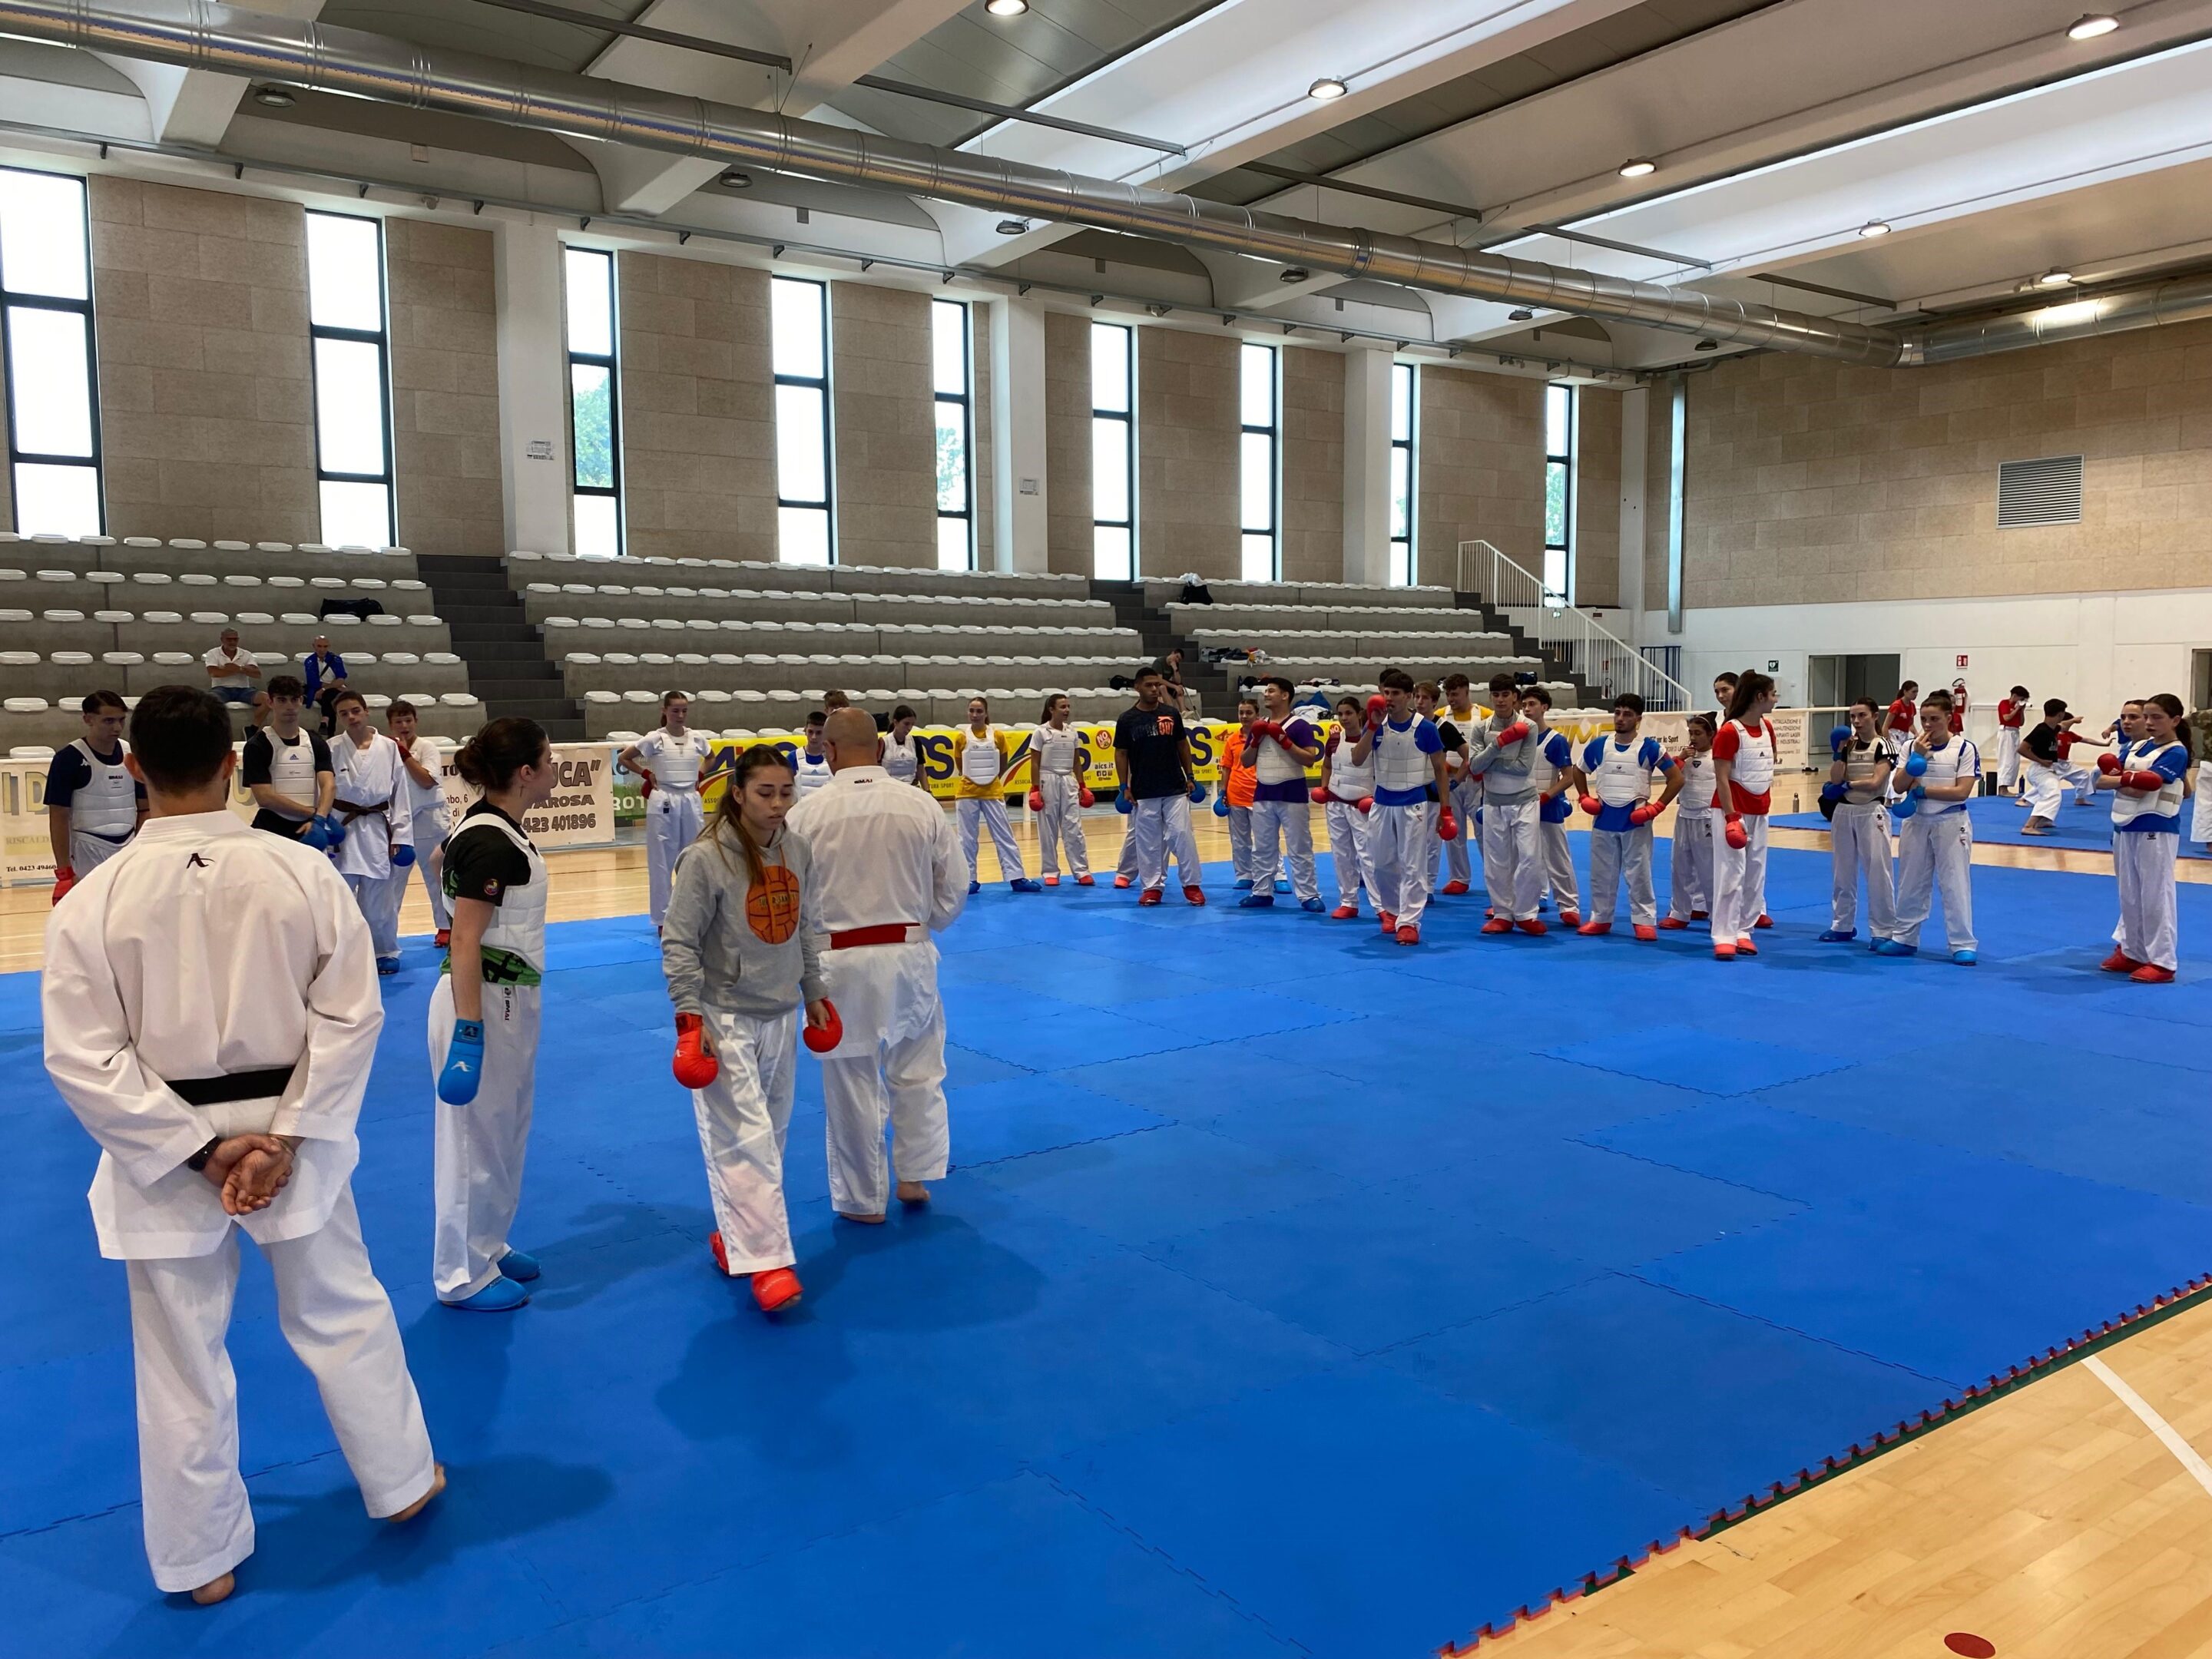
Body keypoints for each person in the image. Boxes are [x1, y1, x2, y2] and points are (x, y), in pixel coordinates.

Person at [41, 685, 439, 1606]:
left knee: (180, 1358)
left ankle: (199, 1558)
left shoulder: (92, 902)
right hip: (293, 1133)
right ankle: (402, 1482)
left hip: (164, 1154)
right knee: (342, 1311)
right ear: (233, 763)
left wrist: (197, 1149)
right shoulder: (302, 873)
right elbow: (351, 1015)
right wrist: (285, 1136)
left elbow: (83, 1058)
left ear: (133, 766)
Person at [661, 744, 836, 1311]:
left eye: (786, 792)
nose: (778, 803)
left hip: (781, 1009)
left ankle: (737, 1238)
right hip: (725, 1014)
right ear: (737, 793)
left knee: (772, 1136)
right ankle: (769, 1264)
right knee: (746, 1138)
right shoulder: (705, 858)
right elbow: (679, 941)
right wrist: (689, 1018)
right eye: (765, 792)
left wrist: (815, 990)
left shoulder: (798, 849)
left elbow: (804, 925)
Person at [786, 707, 969, 1223]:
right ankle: (915, 1176)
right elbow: (954, 886)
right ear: (882, 748)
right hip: (909, 954)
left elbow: (792, 897)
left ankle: (862, 1201)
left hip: (836, 961)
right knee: (919, 1070)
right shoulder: (921, 804)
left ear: (829, 751)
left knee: (852, 1083)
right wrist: (922, 924)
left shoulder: (805, 815)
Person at [429, 717, 558, 1311]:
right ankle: (460, 1274)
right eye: (548, 759)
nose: (555, 768)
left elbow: (440, 859)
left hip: (512, 995)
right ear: (526, 772)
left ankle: (488, 1242)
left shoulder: (497, 828)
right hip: (481, 998)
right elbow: (463, 939)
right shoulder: (491, 840)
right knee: (473, 1140)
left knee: (505, 1129)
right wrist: (469, 1029)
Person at [1349, 668, 1453, 945]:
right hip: (1382, 802)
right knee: (1381, 864)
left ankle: (1409, 921)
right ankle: (1393, 912)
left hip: (1414, 804)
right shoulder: (1375, 725)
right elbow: (1357, 759)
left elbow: (1440, 769)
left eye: (1395, 693)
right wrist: (1372, 727)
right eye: (1386, 692)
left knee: (1413, 865)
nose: (1389, 698)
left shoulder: (1426, 728)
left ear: (1408, 696)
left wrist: (1445, 809)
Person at [2096, 691, 2191, 984]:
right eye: (2147, 716)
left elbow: (2142, 790)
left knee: (2156, 895)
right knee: (2129, 894)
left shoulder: (2176, 752)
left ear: (2175, 720)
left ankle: (2163, 961)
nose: (2149, 722)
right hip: (2125, 825)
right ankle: (2133, 951)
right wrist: (2127, 779)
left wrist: (2122, 780)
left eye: (2156, 717)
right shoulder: (2136, 747)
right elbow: (2102, 780)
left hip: (2156, 826)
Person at [1880, 688, 1980, 964]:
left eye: (1934, 719)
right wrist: (1917, 759)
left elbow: (1962, 791)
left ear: (1949, 718)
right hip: (1917, 820)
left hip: (1951, 820)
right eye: (1923, 719)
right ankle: (1904, 937)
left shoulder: (1964, 748)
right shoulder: (1910, 747)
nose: (1927, 725)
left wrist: (1924, 791)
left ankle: (1962, 942)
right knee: (1910, 882)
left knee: (1955, 883)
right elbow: (1898, 786)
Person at [1571, 693, 1679, 940]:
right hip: (1604, 820)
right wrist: (1584, 796)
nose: (1620, 718)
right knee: (1601, 874)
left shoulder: (1651, 748)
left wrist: (1657, 807)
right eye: (1617, 713)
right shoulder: (1599, 745)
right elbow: (1578, 770)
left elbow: (1677, 779)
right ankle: (1600, 918)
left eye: (1627, 714)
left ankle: (1644, 921)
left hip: (1636, 821)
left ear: (1639, 719)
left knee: (1639, 873)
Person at [327, 690, 414, 975]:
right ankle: (342, 954)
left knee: (379, 901)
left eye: (355, 711)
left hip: (377, 829)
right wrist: (324, 825)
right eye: (344, 713)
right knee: (339, 900)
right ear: (338, 718)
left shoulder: (388, 747)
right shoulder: (331, 747)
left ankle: (384, 951)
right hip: (342, 830)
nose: (351, 717)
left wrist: (402, 837)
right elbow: (322, 790)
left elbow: (400, 794)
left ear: (366, 711)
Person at [621, 692, 717, 930]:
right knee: (661, 861)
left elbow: (711, 757)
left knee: (694, 857)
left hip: (690, 799)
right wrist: (647, 774)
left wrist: (700, 775)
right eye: (675, 710)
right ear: (664, 711)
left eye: (684, 710)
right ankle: (663, 919)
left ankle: (694, 914)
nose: (680, 715)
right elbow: (624, 758)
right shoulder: (655, 739)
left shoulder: (696, 738)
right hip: (663, 798)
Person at [1113, 666, 1206, 907]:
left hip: (1175, 787)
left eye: (1157, 685)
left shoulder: (1170, 713)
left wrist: (1190, 775)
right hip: (1143, 790)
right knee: (1148, 843)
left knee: (1182, 835)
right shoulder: (1127, 719)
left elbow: (1182, 745)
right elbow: (1121, 753)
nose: (1155, 689)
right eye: (1149, 685)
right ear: (1137, 687)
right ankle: (1152, 888)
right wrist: (1124, 786)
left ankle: (1192, 885)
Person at [46, 689, 146, 902]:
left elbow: (145, 808)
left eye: (121, 720)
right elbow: (58, 816)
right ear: (88, 719)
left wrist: (140, 849)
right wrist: (64, 872)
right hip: (85, 851)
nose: (117, 727)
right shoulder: (68, 759)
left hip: (128, 849)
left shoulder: (131, 754)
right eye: (108, 721)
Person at [1710, 671, 1780, 961]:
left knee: (1755, 873)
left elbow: (1765, 769)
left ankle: (1744, 930)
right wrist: (1731, 817)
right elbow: (1722, 778)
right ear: (1759, 697)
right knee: (1731, 873)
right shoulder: (1730, 732)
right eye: (1773, 694)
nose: (1776, 699)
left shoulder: (1767, 728)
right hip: (1732, 810)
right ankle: (1724, 934)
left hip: (1760, 811)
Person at [1467, 671, 1545, 935]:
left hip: (1525, 800)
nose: (1500, 700)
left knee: (1530, 858)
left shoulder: (1528, 726)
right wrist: (1499, 743)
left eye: (1505, 695)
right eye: (1496, 695)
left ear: (1515, 697)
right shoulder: (1481, 728)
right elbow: (1474, 766)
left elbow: (1523, 768)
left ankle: (1526, 913)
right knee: (1496, 861)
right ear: (1491, 697)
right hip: (1493, 802)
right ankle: (1502, 913)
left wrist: (1490, 761)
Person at [1240, 676, 1323, 912]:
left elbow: (1310, 759)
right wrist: (1255, 740)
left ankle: (1308, 895)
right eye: (1266, 691)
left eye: (1271, 691)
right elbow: (1246, 761)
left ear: (1285, 695)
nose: (1266, 694)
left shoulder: (1299, 725)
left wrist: (1284, 741)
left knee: (1299, 847)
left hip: (1292, 794)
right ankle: (1262, 891)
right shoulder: (1259, 725)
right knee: (1262, 848)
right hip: (1263, 793)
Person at [1820, 698, 1898, 947]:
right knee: (1842, 872)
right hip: (1844, 811)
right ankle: (1842, 924)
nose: (1856, 721)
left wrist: (1848, 785)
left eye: (1862, 715)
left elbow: (1876, 782)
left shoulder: (1883, 745)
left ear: (1875, 716)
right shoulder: (1848, 745)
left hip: (1871, 810)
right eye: (1853, 716)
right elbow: (1834, 779)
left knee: (1878, 872)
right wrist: (1838, 752)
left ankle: (1883, 930)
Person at [952, 697, 1041, 896]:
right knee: (966, 839)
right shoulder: (961, 738)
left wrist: (989, 780)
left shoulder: (998, 736)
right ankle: (969, 879)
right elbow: (961, 766)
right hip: (967, 793)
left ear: (986, 713)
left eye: (979, 711)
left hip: (992, 792)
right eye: (971, 711)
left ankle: (1017, 877)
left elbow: (1002, 764)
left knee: (1004, 835)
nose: (975, 715)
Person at [240, 676, 335, 843]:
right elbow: (264, 797)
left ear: (301, 701)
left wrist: (319, 819)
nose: (289, 706)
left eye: (294, 699)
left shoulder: (315, 742)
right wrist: (314, 814)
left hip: (310, 828)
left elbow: (329, 784)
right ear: (270, 702)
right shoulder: (257, 745)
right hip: (271, 830)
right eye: (282, 700)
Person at [387, 701, 450, 948]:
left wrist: (405, 754)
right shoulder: (386, 750)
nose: (404, 726)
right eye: (398, 722)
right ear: (390, 725)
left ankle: (445, 927)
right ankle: (386, 931)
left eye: (408, 720)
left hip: (429, 820)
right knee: (393, 880)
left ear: (416, 721)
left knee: (436, 876)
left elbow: (426, 781)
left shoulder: (427, 748)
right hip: (400, 821)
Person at [1522, 685, 1582, 925]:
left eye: (1532, 704)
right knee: (1524, 858)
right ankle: (1527, 901)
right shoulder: (1518, 738)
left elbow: (1568, 777)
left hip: (1548, 807)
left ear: (1544, 707)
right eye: (1524, 705)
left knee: (1558, 859)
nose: (1527, 709)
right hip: (1522, 806)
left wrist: (1547, 796)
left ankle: (1569, 905)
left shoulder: (1556, 741)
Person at [1319, 694, 1376, 919]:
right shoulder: (1334, 740)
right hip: (1336, 803)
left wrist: (1375, 797)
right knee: (1341, 855)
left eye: (1349, 713)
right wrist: (1324, 788)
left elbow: (1381, 772)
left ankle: (1382, 906)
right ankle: (1348, 902)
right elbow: (1326, 765)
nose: (1344, 718)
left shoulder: (1372, 739)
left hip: (1362, 805)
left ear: (1360, 714)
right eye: (1340, 714)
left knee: (1369, 856)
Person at [1028, 693, 1094, 887]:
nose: (1067, 710)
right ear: (1051, 709)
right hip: (1047, 779)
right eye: (1062, 707)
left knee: (1074, 826)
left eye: (1068, 707)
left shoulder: (1072, 732)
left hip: (1068, 780)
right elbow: (1034, 762)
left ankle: (1081, 870)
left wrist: (1082, 786)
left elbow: (1076, 762)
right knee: (1048, 828)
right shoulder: (1040, 732)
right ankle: (1050, 871)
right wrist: (1035, 789)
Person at [1661, 714, 1717, 930]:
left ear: (1711, 734)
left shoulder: (1717, 758)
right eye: (1691, 733)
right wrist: (1680, 758)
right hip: (1684, 815)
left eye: (1698, 733)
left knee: (1709, 868)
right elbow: (1670, 779)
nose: (1693, 738)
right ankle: (1680, 911)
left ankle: (1716, 913)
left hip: (1707, 818)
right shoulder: (1683, 759)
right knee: (1680, 866)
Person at [2020, 700, 2100, 833]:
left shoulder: (2053, 728)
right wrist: (2040, 760)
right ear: (2060, 714)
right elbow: (2022, 749)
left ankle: (2043, 820)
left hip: (2048, 769)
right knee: (2052, 793)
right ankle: (2029, 826)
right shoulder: (2041, 730)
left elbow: (2063, 725)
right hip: (2039, 769)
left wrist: (2073, 720)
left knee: (2053, 794)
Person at [1434, 674, 1482, 895]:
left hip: (1476, 781)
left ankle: (1497, 876)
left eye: (1455, 694)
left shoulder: (1485, 715)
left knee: (1484, 832)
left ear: (1467, 692)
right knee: (1453, 830)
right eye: (1448, 694)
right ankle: (1459, 877)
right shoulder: (1439, 717)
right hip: (1449, 781)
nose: (1451, 699)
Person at [1220, 697, 1261, 889]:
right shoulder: (1232, 740)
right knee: (1239, 840)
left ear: (1257, 715)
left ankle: (1278, 876)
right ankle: (1244, 875)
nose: (1244, 716)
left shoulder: (1264, 738)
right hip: (1236, 795)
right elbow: (1226, 768)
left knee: (1265, 839)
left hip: (1259, 795)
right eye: (1241, 713)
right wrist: (1223, 792)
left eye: (1249, 713)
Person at [202, 627, 267, 725]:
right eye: (229, 639)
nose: (232, 642)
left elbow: (257, 674)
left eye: (235, 639)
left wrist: (237, 668)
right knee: (209, 701)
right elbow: (213, 673)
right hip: (220, 689)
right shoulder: (212, 653)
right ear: (222, 640)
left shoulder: (246, 654)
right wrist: (243, 669)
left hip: (244, 689)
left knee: (268, 699)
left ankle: (253, 728)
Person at [1995, 685, 2029, 796]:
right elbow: (2006, 718)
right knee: (2007, 759)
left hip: (2015, 732)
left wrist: (2022, 711)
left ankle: (2007, 786)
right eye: (2021, 699)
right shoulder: (2004, 703)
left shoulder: (2017, 708)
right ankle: (2002, 788)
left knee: (2014, 761)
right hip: (2006, 732)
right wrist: (2016, 709)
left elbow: (2021, 723)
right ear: (2014, 696)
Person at [882, 704, 926, 789]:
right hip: (889, 788)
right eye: (906, 724)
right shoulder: (883, 743)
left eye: (912, 724)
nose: (910, 728)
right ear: (895, 722)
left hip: (911, 788)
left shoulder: (915, 742)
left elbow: (921, 771)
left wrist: (928, 791)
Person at [794, 710, 833, 798]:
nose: (814, 737)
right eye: (810, 732)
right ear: (805, 731)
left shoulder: (834, 758)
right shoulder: (793, 758)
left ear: (826, 733)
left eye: (819, 733)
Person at [301, 634, 348, 704]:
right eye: (319, 646)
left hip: (332, 689)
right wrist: (335, 685)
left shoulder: (336, 660)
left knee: (332, 695)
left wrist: (324, 689)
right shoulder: (310, 661)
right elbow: (313, 682)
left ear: (328, 647)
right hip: (322, 688)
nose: (322, 650)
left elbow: (341, 680)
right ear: (314, 646)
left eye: (325, 646)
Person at [1883, 680, 1919, 760]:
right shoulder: (1897, 705)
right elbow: (1885, 726)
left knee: (1907, 754)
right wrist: (1888, 742)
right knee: (1899, 755)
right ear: (1905, 692)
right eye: (1913, 692)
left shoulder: (1912, 706)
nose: (1916, 694)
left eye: (1917, 692)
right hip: (1894, 735)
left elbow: (1910, 724)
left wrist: (1916, 733)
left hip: (1905, 735)